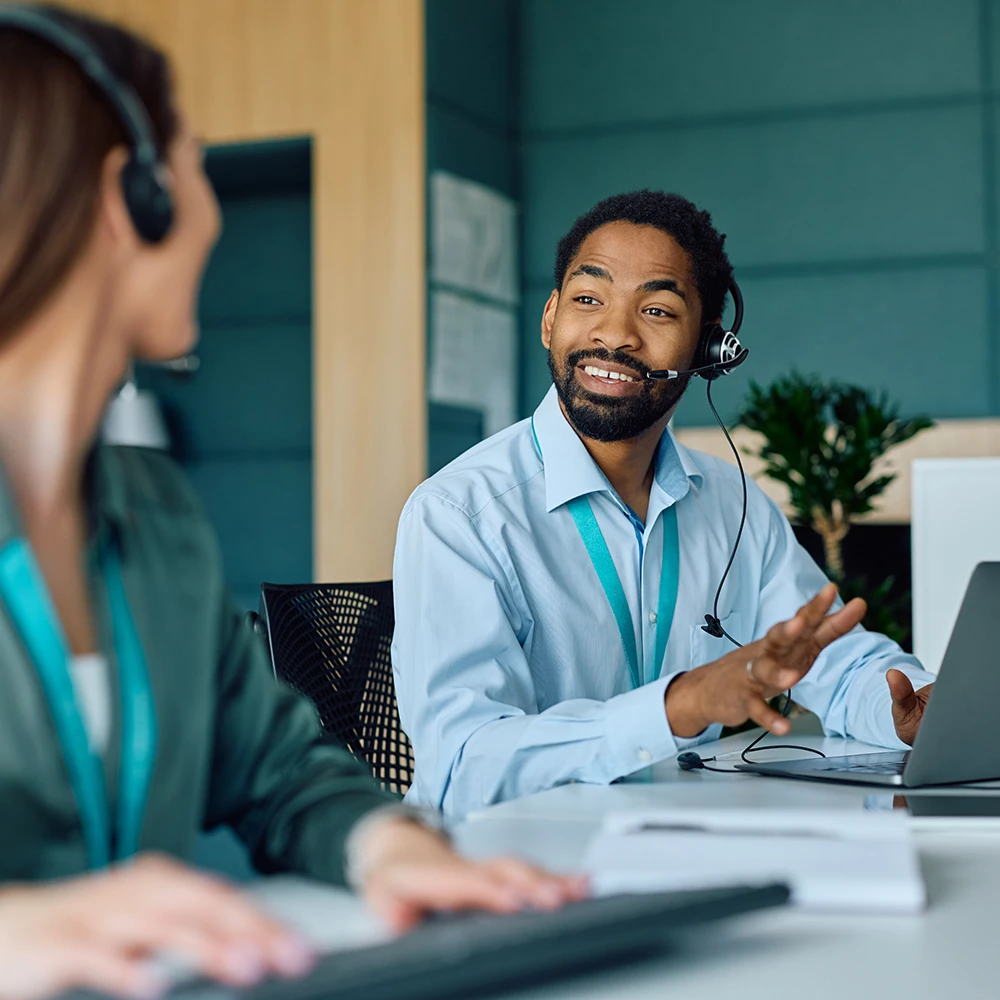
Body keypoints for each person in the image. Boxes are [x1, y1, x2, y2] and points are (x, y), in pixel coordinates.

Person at [0, 5, 584, 997]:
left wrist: (387, 845)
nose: (213, 215)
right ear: (128, 197)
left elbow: (277, 764)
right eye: (191, 166)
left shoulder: (157, 523)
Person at [392, 189, 937, 818]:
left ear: (708, 350)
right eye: (588, 299)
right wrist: (681, 706)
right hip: (513, 866)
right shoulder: (458, 514)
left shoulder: (731, 502)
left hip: (676, 843)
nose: (614, 335)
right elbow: (462, 763)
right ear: (550, 318)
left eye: (656, 310)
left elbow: (832, 664)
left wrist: (907, 708)